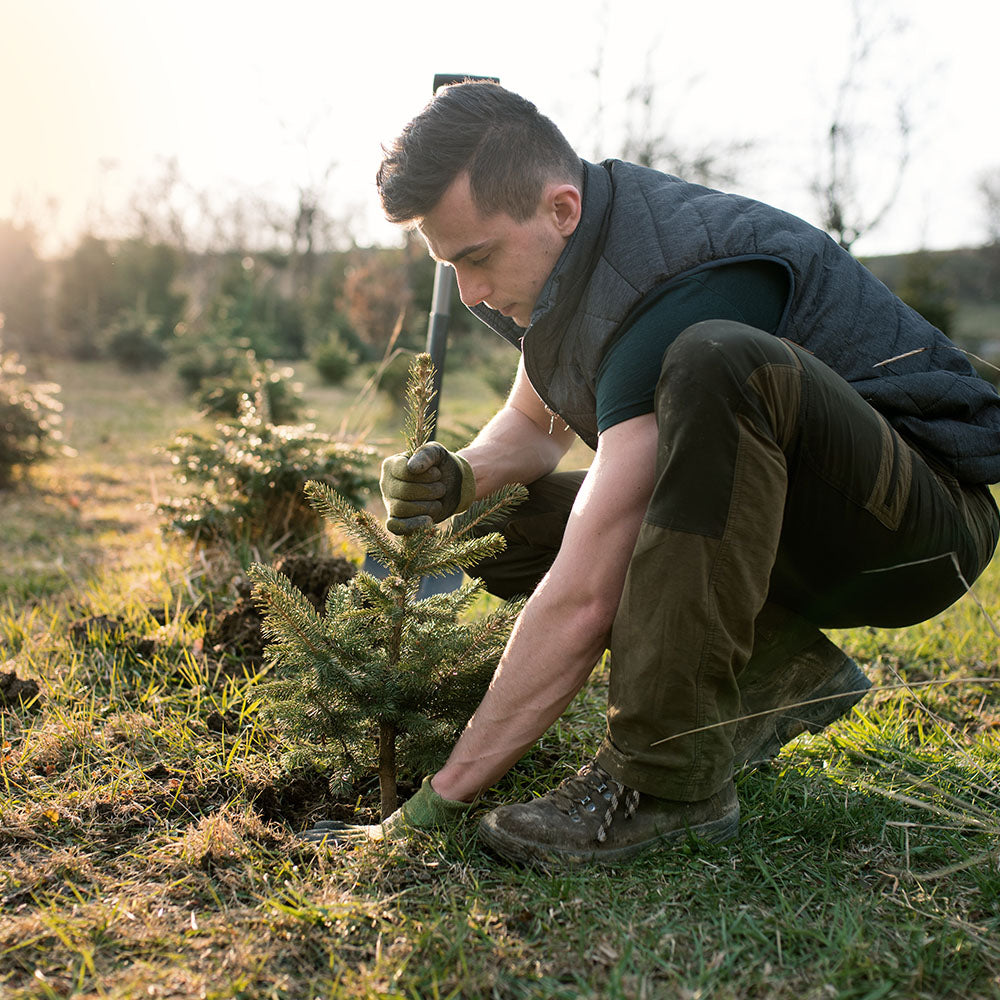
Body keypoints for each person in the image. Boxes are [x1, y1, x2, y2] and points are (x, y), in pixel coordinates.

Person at [301, 81, 1000, 865]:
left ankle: (665, 782)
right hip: (786, 519)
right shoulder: (576, 251)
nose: (471, 293)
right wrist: (460, 478)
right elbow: (535, 423)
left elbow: (586, 592)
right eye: (448, 265)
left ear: (560, 209)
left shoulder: (670, 278)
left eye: (478, 257)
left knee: (717, 360)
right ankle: (773, 673)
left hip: (914, 529)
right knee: (501, 516)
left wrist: (443, 797)